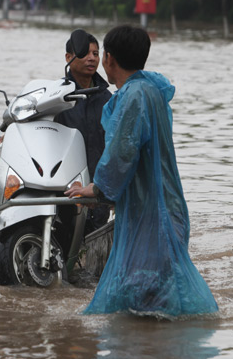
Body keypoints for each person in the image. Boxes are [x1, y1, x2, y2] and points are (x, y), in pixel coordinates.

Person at [65, 25, 218, 318]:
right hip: (167, 207)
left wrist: (96, 190)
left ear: (109, 59)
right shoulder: (152, 89)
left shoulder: (133, 96)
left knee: (146, 298)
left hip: (151, 214)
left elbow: (122, 153)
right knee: (158, 297)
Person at [54, 31, 111, 234]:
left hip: (99, 185)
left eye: (96, 53)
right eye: (85, 53)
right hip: (66, 187)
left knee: (96, 245)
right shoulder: (57, 97)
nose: (92, 58)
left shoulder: (107, 99)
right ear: (68, 57)